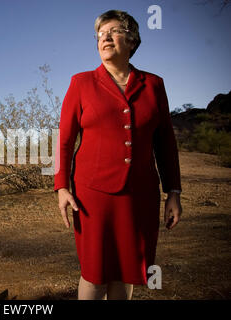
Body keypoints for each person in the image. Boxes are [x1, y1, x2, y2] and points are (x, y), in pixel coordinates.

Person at [54, 10, 182, 300]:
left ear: (132, 40)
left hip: (140, 194)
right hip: (93, 194)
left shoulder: (154, 84)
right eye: (101, 33)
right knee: (95, 273)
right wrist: (62, 186)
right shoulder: (81, 83)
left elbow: (165, 143)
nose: (106, 37)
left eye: (114, 31)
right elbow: (63, 141)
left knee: (127, 271)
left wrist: (173, 191)